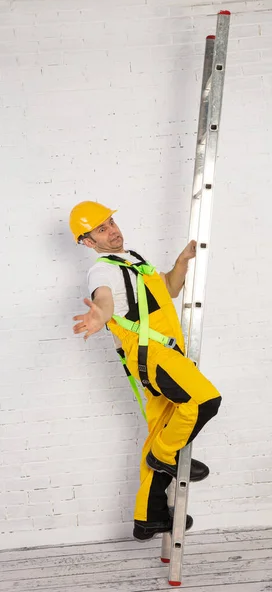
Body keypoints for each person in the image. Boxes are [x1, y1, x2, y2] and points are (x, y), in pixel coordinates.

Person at [70, 201, 221, 541]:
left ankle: (148, 517)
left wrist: (181, 263)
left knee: (163, 429)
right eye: (101, 229)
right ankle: (163, 456)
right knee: (204, 401)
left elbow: (167, 290)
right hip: (151, 355)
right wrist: (100, 315)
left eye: (110, 222)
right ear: (88, 242)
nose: (112, 230)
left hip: (165, 353)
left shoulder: (135, 260)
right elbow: (105, 299)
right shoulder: (102, 271)